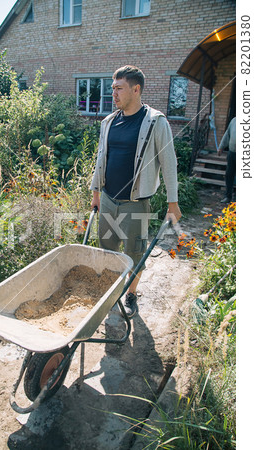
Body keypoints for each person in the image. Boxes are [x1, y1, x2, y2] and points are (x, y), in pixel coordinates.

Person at [90, 65, 181, 318]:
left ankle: (130, 293)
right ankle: (109, 291)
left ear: (136, 89)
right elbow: (101, 158)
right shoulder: (109, 122)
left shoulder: (155, 122)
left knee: (135, 252)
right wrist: (96, 192)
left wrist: (173, 203)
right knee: (107, 250)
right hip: (108, 199)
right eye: (112, 89)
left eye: (119, 88)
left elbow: (169, 163)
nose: (113, 94)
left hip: (136, 202)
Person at [217, 117, 236, 203]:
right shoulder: (234, 120)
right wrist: (221, 147)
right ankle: (228, 196)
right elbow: (227, 134)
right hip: (232, 153)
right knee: (229, 175)